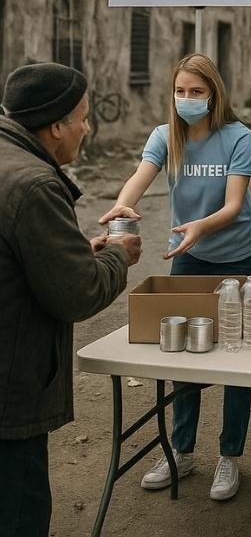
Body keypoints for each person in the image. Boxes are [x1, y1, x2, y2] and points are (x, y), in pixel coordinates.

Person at [99, 54, 251, 501]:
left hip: (236, 258)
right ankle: (182, 451)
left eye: (197, 92)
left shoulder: (238, 137)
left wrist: (199, 227)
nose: (187, 99)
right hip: (186, 258)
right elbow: (140, 177)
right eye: (181, 91)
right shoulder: (165, 137)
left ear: (214, 94)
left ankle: (230, 456)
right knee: (183, 356)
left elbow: (232, 205)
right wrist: (121, 207)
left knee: (237, 359)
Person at [0, 63, 141, 535]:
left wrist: (80, 254)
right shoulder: (35, 184)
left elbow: (22, 257)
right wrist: (118, 257)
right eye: (82, 117)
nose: (88, 126)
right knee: (18, 509)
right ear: (56, 126)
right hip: (10, 393)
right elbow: (77, 293)